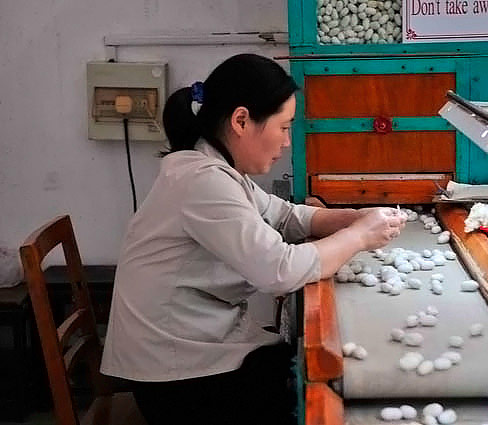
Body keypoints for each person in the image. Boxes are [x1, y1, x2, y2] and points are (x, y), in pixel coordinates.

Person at [100, 53, 406, 425]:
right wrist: (359, 236)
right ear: (242, 120)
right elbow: (279, 270)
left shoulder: (217, 168)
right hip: (175, 378)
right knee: (317, 387)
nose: (287, 143)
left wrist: (352, 218)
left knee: (303, 362)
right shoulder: (203, 181)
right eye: (284, 127)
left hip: (188, 351)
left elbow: (284, 215)